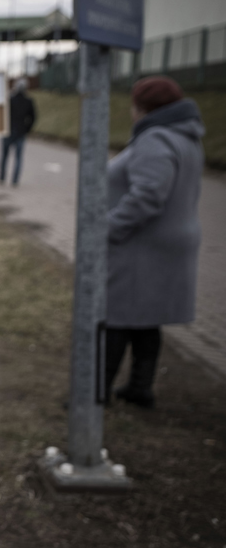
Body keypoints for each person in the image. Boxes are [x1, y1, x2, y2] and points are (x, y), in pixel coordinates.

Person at [104, 75, 203, 408]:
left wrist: (109, 228)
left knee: (114, 315)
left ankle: (95, 391)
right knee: (146, 319)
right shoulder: (186, 137)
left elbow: (147, 196)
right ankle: (139, 387)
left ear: (143, 107)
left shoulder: (154, 138)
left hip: (140, 246)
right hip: (165, 244)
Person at [0, 78, 36, 185]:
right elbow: (33, 117)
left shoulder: (10, 99)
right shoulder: (28, 101)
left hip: (8, 131)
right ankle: (15, 180)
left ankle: (2, 177)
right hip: (20, 132)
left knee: (5, 156)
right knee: (18, 157)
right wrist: (27, 129)